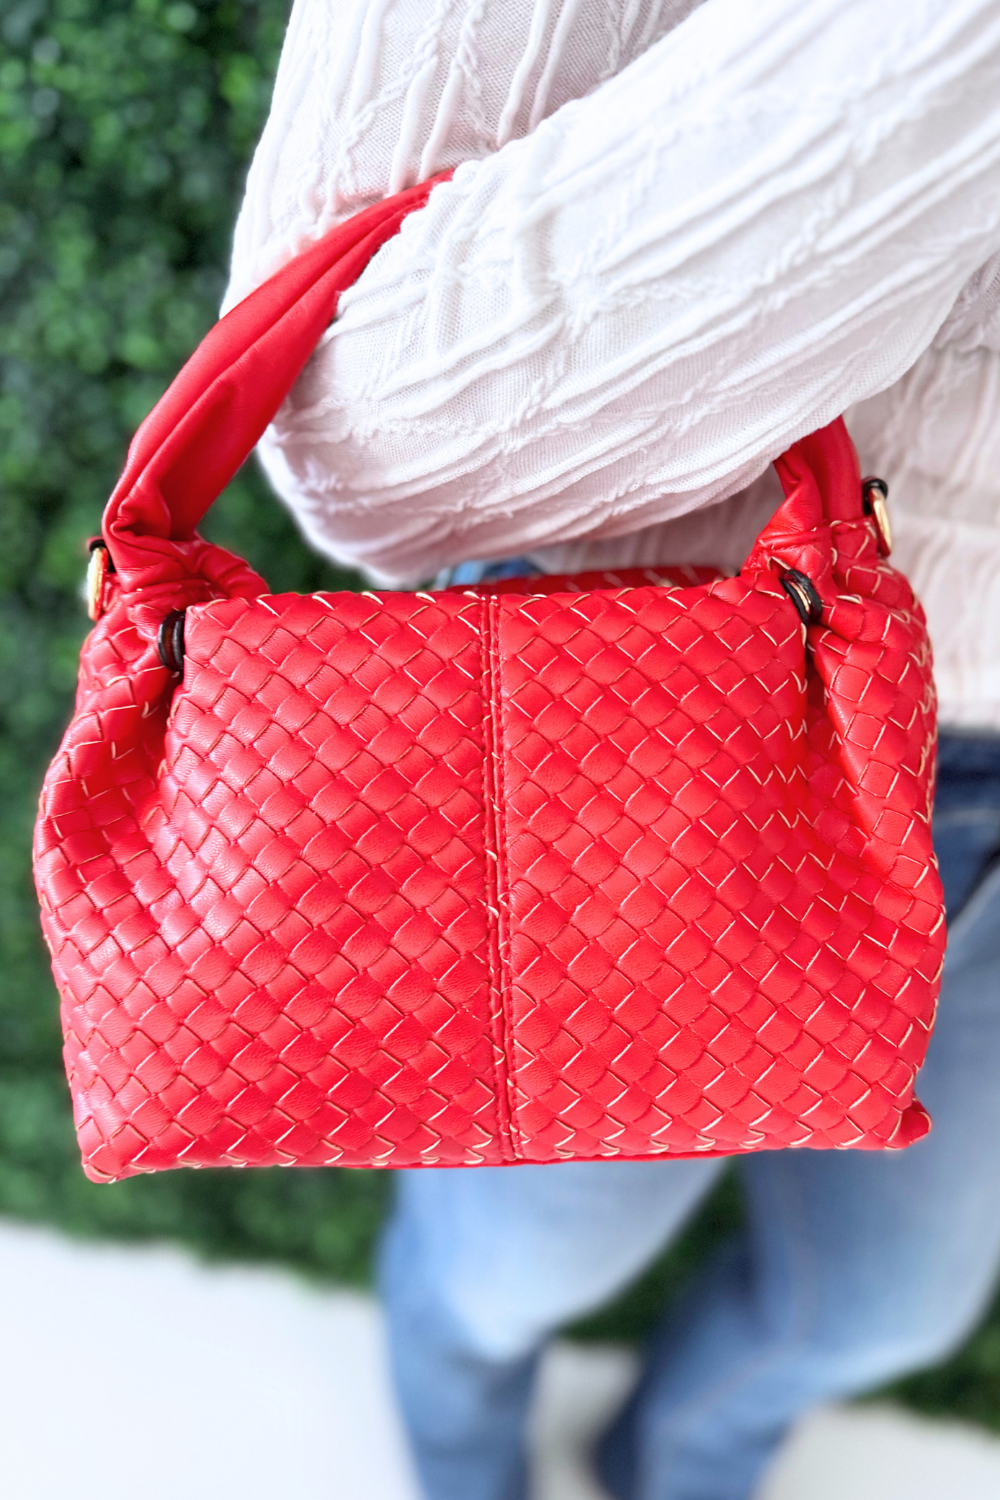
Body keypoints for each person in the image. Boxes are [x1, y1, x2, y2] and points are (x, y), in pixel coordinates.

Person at [225, 2, 1000, 1496]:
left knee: (888, 1301)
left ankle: (685, 1459)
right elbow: (356, 439)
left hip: (976, 782)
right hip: (624, 753)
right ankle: (463, 1453)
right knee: (508, 1270)